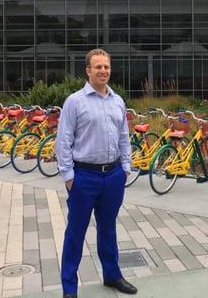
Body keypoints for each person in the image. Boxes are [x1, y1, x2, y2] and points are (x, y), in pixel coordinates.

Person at [55, 48, 137, 298]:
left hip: (113, 175)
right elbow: (63, 141)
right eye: (98, 67)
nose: (103, 71)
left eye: (106, 67)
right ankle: (69, 288)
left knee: (108, 228)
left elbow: (124, 138)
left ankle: (112, 275)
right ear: (88, 71)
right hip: (84, 177)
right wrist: (69, 177)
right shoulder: (74, 102)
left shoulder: (117, 101)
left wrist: (125, 168)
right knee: (75, 233)